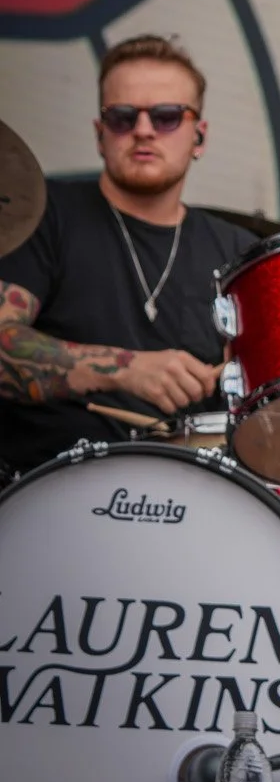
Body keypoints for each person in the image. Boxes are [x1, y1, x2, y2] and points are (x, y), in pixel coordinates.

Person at [0, 34, 257, 476]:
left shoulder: (237, 251)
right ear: (100, 135)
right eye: (122, 117)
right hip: (44, 485)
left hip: (190, 493)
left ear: (199, 136)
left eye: (166, 116)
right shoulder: (40, 214)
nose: (143, 129)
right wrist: (123, 369)